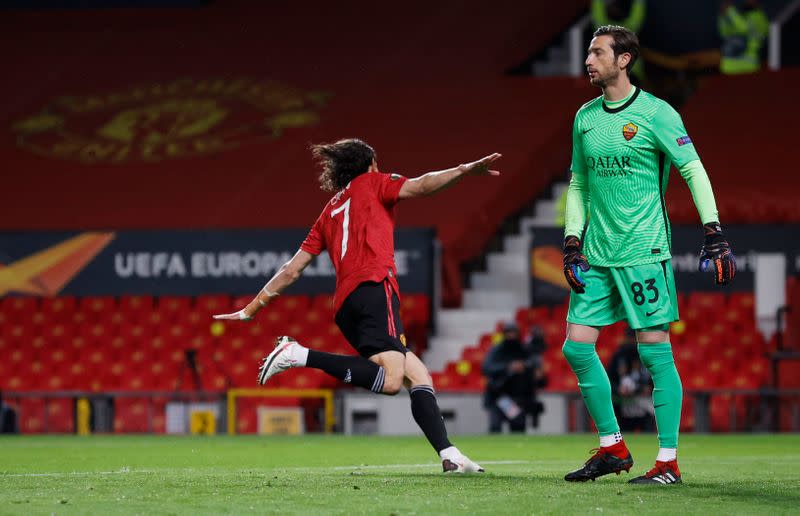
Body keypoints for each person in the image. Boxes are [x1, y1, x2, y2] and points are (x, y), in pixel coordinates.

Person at [214, 139, 501, 473]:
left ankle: (449, 454)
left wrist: (251, 308)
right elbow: (422, 186)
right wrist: (463, 171)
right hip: (375, 287)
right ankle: (298, 354)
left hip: (347, 306)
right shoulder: (374, 183)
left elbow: (291, 269)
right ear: (372, 163)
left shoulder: (328, 211)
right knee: (393, 381)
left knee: (418, 376)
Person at [561, 25, 736, 485]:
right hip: (597, 254)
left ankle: (668, 462)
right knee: (576, 346)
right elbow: (579, 183)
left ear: (624, 60)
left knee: (654, 353)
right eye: (588, 53)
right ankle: (611, 447)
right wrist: (572, 241)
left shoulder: (657, 114)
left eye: (597, 53)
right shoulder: (585, 117)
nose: (588, 60)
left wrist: (713, 231)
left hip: (643, 250)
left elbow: (693, 170)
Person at [481, 322, 546, 433]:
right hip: (499, 397)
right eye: (508, 333)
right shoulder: (497, 351)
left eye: (513, 333)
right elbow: (487, 368)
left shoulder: (524, 350)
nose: (511, 336)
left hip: (519, 397)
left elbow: (536, 368)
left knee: (518, 426)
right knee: (495, 427)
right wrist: (509, 367)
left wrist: (527, 368)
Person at [607, 329, 655, 432]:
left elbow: (657, 377)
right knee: (624, 432)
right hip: (623, 403)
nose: (633, 341)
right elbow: (609, 379)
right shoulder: (618, 356)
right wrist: (618, 389)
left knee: (648, 433)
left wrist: (649, 388)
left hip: (644, 403)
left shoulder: (648, 355)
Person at [719, 0, 769, 75]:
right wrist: (723, 16)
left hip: (747, 68)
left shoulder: (760, 18)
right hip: (728, 67)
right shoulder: (740, 17)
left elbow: (744, 28)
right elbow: (725, 33)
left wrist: (730, 11)